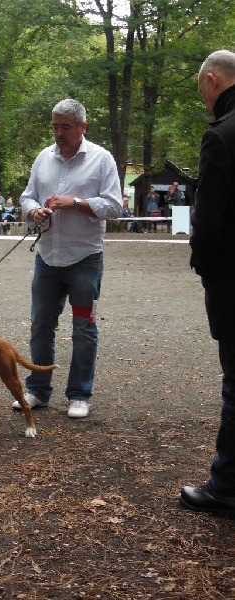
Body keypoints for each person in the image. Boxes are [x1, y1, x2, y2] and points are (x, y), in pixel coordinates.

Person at [13, 98, 122, 418]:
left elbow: (115, 207)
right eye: (55, 126)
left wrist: (75, 202)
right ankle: (37, 390)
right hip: (47, 258)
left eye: (66, 127)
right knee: (40, 326)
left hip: (85, 260)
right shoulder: (43, 158)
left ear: (82, 127)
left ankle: (79, 394)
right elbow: (26, 196)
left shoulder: (102, 160)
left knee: (83, 327)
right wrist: (33, 210)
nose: (58, 133)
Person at [179, 50, 235, 518]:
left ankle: (225, 486)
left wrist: (201, 262)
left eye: (203, 93)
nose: (205, 102)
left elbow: (211, 221)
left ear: (213, 81)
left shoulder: (222, 136)